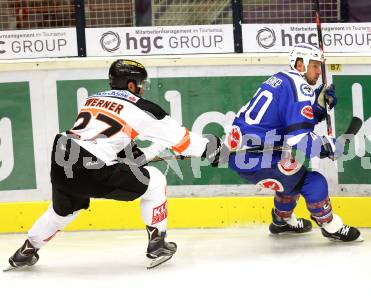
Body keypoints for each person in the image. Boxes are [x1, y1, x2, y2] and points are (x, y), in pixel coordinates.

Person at [6, 59, 222, 270]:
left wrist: (152, 151)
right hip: (92, 165)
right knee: (155, 181)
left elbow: (123, 151)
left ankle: (27, 250)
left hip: (62, 157)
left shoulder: (92, 100)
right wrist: (212, 148)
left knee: (63, 212)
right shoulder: (142, 107)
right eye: (141, 84)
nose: (143, 89)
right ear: (131, 84)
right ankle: (157, 243)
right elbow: (184, 141)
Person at [226, 43, 363, 242]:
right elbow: (299, 139)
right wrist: (330, 146)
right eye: (315, 66)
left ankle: (282, 221)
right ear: (300, 64)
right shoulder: (300, 87)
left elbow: (289, 120)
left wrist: (318, 108)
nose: (318, 72)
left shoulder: (281, 79)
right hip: (259, 155)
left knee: (292, 175)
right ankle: (330, 226)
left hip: (243, 154)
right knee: (312, 181)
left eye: (319, 66)